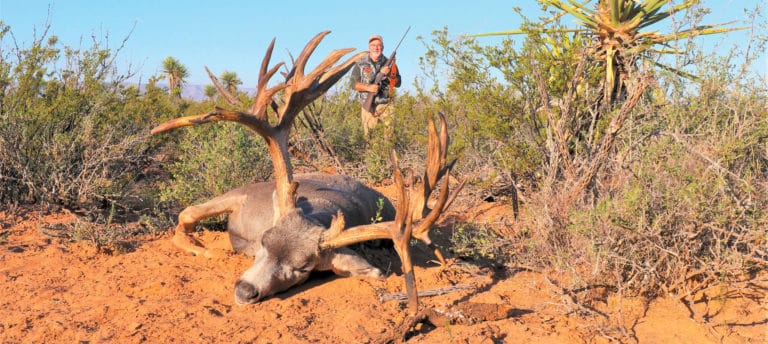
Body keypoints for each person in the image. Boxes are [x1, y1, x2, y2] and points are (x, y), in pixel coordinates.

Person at [349, 34, 402, 137]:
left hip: (386, 105)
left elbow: (398, 83)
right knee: (370, 138)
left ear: (382, 47)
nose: (376, 48)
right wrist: (368, 88)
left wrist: (389, 75)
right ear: (369, 47)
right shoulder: (360, 63)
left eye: (379, 45)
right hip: (368, 105)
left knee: (389, 138)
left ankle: (388, 153)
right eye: (373, 45)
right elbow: (353, 84)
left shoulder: (390, 63)